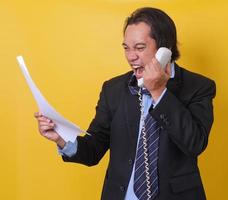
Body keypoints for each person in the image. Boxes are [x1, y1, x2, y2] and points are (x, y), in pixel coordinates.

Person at [34, 7, 216, 200]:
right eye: (126, 48)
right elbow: (94, 149)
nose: (131, 57)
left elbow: (195, 143)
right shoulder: (113, 89)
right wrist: (61, 138)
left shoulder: (199, 87)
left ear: (165, 49)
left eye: (139, 48)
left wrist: (158, 91)